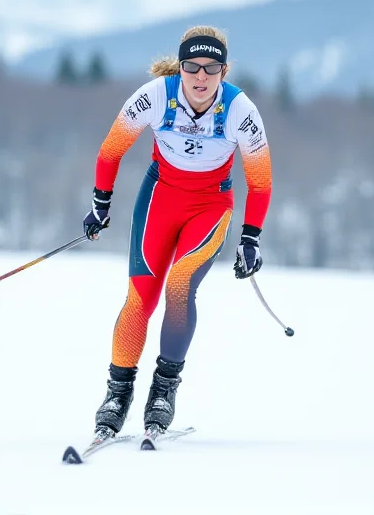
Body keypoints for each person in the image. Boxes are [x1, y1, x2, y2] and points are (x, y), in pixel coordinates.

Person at [82, 25, 272, 439]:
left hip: (210, 207)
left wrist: (250, 238)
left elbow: (259, 181)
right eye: (191, 67)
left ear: (224, 71)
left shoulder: (240, 110)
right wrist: (100, 205)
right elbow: (110, 151)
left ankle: (164, 390)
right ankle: (118, 393)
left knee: (181, 284)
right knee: (141, 296)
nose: (200, 78)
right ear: (180, 67)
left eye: (211, 69)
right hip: (159, 200)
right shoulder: (154, 96)